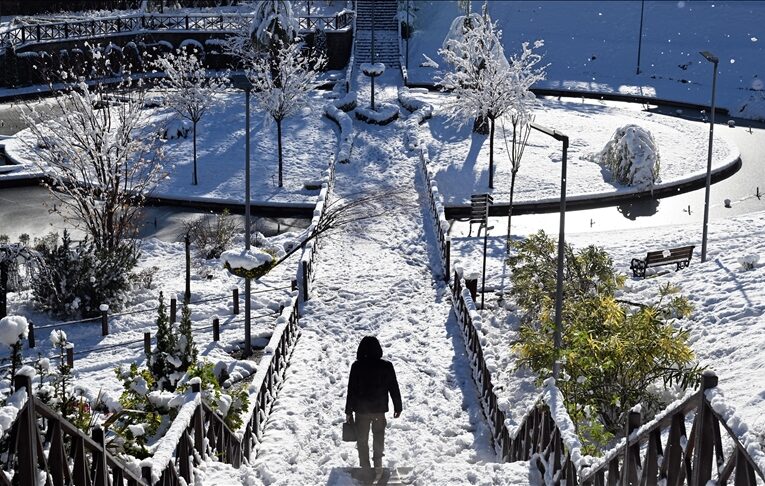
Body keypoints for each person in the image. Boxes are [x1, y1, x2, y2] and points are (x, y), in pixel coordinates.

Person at [345, 336, 402, 479]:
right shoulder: (386, 366)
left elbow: (351, 389)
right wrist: (398, 406)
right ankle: (378, 466)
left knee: (362, 440)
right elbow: (393, 387)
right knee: (379, 437)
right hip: (379, 410)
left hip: (361, 411)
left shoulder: (356, 366)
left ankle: (365, 468)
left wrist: (348, 411)